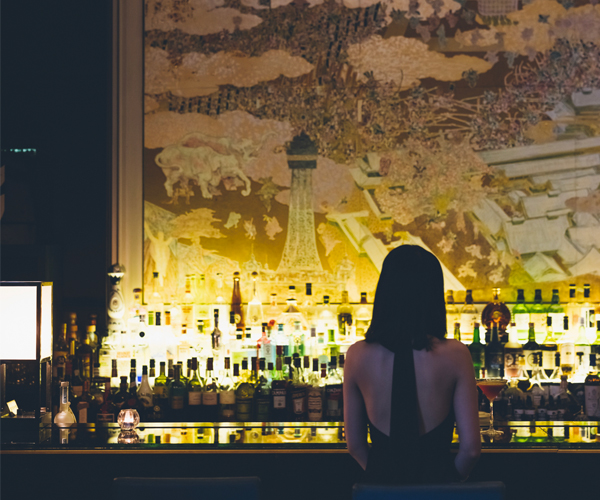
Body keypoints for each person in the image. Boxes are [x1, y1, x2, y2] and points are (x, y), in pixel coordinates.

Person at [344, 245, 481, 484]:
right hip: (440, 491)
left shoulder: (357, 355)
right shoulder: (457, 354)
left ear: (385, 292)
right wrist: (447, 484)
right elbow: (470, 450)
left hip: (381, 492)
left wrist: (384, 480)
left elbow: (355, 445)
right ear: (434, 293)